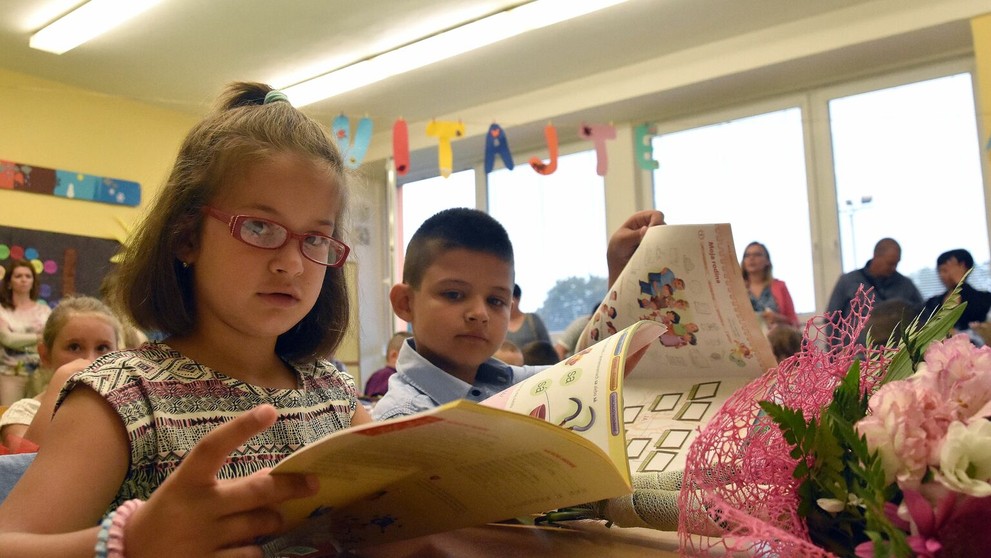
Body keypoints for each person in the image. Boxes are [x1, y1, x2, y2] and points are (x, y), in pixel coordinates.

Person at [0, 82, 372, 555]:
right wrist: (132, 544)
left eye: (316, 239)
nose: (292, 264)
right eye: (260, 227)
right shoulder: (122, 398)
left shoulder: (332, 394)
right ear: (186, 237)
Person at [373, 207, 664, 421]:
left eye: (496, 300)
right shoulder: (403, 420)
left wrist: (622, 270)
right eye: (453, 294)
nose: (479, 313)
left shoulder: (508, 382)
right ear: (405, 302)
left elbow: (601, 369)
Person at [0, 295, 124, 451]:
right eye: (74, 347)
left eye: (102, 348)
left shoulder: (121, 411)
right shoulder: (25, 412)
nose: (90, 360)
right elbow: (25, 464)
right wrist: (59, 384)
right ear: (45, 355)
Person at [826, 238, 923, 320]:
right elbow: (831, 319)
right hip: (856, 342)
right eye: (890, 264)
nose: (894, 268)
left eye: (896, 263)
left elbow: (922, 314)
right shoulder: (848, 281)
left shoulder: (906, 285)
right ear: (876, 256)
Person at [0, 260, 52, 405]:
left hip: (40, 374)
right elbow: (8, 339)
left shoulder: (44, 310)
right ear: (9, 282)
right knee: (8, 416)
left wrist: (22, 339)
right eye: (18, 276)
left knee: (36, 416)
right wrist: (38, 337)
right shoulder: (2, 310)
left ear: (33, 282)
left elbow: (50, 340)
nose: (24, 280)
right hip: (9, 374)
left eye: (28, 276)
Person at [919, 249, 991, 334]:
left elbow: (977, 316)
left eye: (945, 270)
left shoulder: (984, 298)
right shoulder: (932, 302)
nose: (941, 275)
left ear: (963, 267)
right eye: (939, 271)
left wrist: (960, 283)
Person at [741, 242, 798, 329]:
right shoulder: (737, 289)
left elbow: (794, 322)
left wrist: (778, 318)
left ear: (767, 261)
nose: (751, 258)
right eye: (747, 255)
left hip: (775, 339)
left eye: (757, 254)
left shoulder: (780, 286)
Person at [363, 331, 412, 398]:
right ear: (393, 356)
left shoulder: (377, 375)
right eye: (410, 357)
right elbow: (375, 401)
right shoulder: (386, 375)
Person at [505, 284, 551, 348]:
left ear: (518, 299)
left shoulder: (533, 320)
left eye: (508, 299)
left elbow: (548, 347)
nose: (506, 303)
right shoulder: (498, 323)